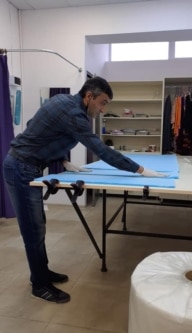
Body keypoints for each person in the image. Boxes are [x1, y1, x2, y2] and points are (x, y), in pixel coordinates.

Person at [3, 76, 166, 304]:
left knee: (38, 225)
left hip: (26, 164)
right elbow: (100, 149)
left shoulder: (61, 100)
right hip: (21, 167)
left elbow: (37, 128)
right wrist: (139, 170)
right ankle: (39, 284)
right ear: (89, 96)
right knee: (33, 229)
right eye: (102, 102)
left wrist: (63, 160)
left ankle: (42, 271)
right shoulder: (74, 115)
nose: (102, 109)